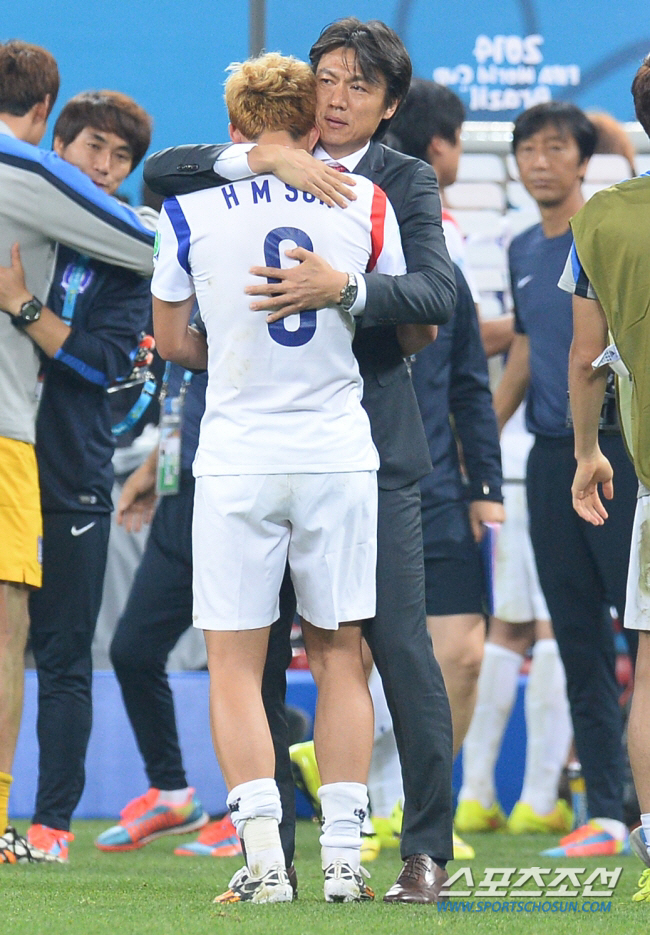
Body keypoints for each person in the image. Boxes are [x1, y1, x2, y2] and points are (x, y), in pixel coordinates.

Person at [144, 17, 457, 903]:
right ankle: (324, 859)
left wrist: (337, 292)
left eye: (360, 84)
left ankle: (352, 854)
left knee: (313, 652)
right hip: (331, 446)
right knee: (335, 650)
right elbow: (424, 327)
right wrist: (273, 165)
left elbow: (438, 298)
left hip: (294, 448)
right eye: (327, 78)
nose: (339, 94)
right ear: (302, 94)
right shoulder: (339, 199)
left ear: (391, 104)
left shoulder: (389, 182)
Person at [0, 41, 154, 865]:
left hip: (71, 471)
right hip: (12, 452)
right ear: (53, 146)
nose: (103, 162)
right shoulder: (23, 204)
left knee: (62, 656)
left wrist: (24, 307)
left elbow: (103, 363)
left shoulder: (129, 257)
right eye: (90, 145)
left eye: (120, 154)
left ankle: (52, 823)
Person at [494, 100, 637, 858]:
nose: (540, 160)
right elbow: (525, 350)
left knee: (639, 634)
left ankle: (639, 805)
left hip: (618, 451)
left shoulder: (612, 228)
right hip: (552, 457)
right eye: (528, 148)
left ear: (585, 160)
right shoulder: (521, 247)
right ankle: (608, 812)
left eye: (557, 147)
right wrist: (481, 438)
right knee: (576, 637)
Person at [562, 53, 650, 900]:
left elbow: (586, 357)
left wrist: (588, 451)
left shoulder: (601, 220)